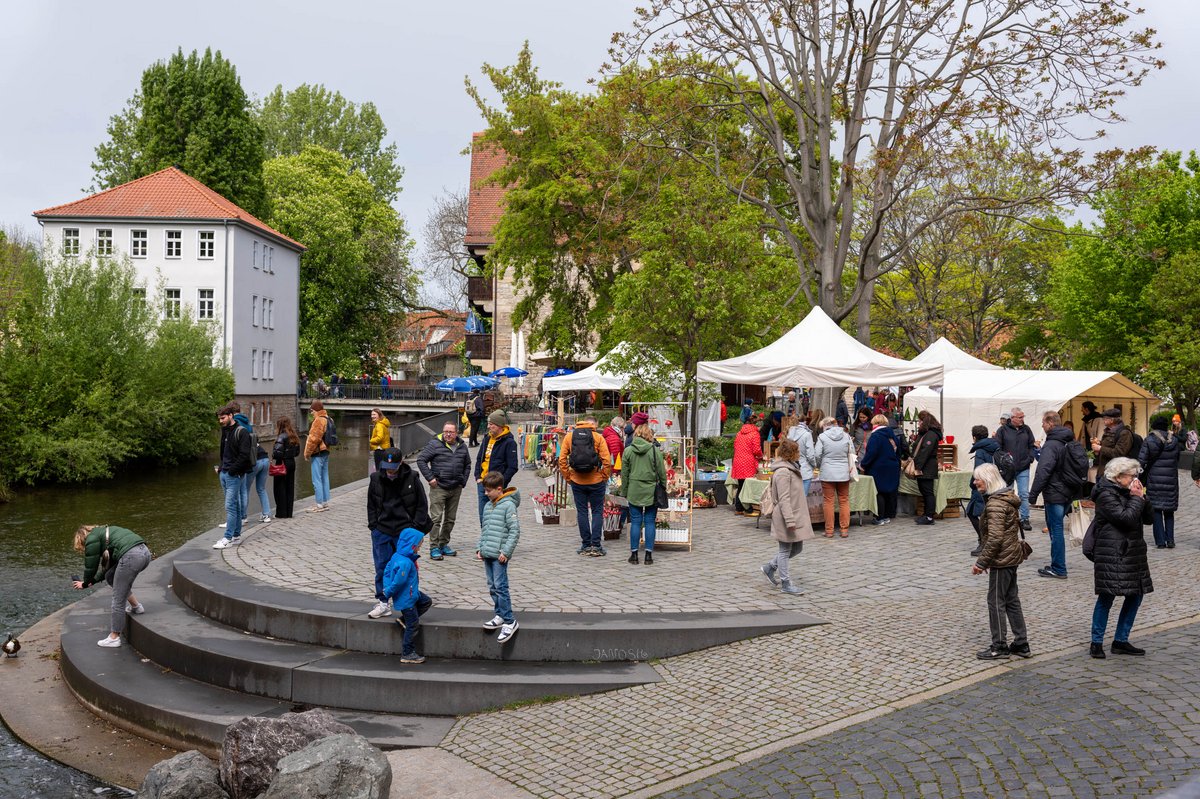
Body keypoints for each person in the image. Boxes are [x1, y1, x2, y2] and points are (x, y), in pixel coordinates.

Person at [1089, 457, 1153, 659]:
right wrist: (1137, 499)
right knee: (1106, 596)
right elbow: (1125, 519)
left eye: (1136, 475)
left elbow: (1149, 519)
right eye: (1131, 475)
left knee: (1135, 595)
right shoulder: (1105, 494)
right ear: (1118, 476)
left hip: (1133, 552)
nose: (1135, 479)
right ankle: (1096, 642)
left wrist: (1143, 497)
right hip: (1112, 553)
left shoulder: (1131, 492)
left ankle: (1121, 640)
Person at [970, 464, 1031, 661]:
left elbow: (995, 538)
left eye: (977, 479)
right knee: (1011, 600)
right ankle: (1021, 643)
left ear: (987, 480)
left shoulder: (996, 504)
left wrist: (981, 563)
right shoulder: (1006, 498)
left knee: (995, 602)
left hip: (1002, 559)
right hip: (1011, 556)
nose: (975, 482)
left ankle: (999, 646)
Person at [367, 447, 432, 619]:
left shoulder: (412, 478)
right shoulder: (376, 478)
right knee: (382, 568)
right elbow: (371, 504)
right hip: (382, 529)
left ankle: (410, 602)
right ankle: (383, 603)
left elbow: (422, 504)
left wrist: (415, 528)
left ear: (401, 462)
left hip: (405, 530)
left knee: (408, 568)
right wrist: (373, 526)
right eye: (387, 467)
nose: (390, 471)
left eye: (393, 467)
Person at [72, 524, 152, 648]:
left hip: (131, 557)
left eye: (82, 547)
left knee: (118, 598)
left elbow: (91, 567)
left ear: (82, 540)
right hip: (145, 553)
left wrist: (85, 583)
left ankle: (114, 637)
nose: (84, 549)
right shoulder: (106, 534)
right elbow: (106, 569)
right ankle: (136, 606)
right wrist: (92, 581)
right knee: (110, 576)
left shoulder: (91, 539)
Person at [1029, 411, 1086, 580]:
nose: (1042, 425)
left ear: (1050, 423)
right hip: (1069, 491)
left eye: (1043, 422)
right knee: (1057, 528)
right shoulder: (1069, 440)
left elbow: (1043, 470)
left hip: (1055, 492)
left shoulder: (1052, 444)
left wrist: (1033, 495)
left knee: (1056, 530)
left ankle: (1059, 568)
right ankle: (1057, 564)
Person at [760, 438, 813, 595]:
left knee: (797, 548)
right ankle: (786, 583)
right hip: (786, 516)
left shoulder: (791, 468)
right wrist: (789, 520)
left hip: (794, 514)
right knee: (784, 550)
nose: (799, 454)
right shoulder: (783, 472)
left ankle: (770, 567)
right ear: (790, 453)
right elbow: (784, 499)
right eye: (797, 451)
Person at [416, 420, 472, 560]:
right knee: (436, 519)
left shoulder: (461, 446)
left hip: (456, 487)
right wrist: (430, 478)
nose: (447, 434)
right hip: (439, 487)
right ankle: (434, 547)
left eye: (451, 432)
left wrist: (463, 481)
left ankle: (443, 544)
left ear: (456, 433)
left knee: (450, 519)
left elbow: (467, 464)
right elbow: (421, 460)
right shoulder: (434, 444)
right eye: (445, 431)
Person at [559, 415, 613, 556]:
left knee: (582, 512)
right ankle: (596, 545)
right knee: (597, 512)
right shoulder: (598, 437)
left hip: (577, 481)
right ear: (594, 425)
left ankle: (586, 545)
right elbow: (607, 461)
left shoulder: (569, 437)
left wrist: (568, 477)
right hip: (596, 481)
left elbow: (562, 460)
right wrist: (604, 477)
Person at [477, 471, 521, 643]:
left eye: (488, 491)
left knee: (501, 586)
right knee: (492, 586)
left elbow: (514, 531)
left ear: (499, 489)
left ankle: (509, 620)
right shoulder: (488, 506)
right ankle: (500, 614)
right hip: (488, 552)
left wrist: (506, 552)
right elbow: (485, 529)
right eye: (485, 490)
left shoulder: (508, 506)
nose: (486, 493)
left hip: (499, 555)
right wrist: (480, 548)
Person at [381, 526, 433, 664]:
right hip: (407, 598)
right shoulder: (405, 563)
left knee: (426, 601)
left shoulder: (397, 556)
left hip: (411, 593)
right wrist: (388, 591)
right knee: (413, 625)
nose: (419, 549)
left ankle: (403, 620)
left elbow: (387, 571)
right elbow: (398, 582)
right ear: (412, 546)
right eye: (419, 546)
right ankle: (407, 653)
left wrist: (386, 585)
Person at [619, 422, 667, 564]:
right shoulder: (654, 451)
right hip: (651, 490)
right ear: (648, 435)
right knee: (650, 521)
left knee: (635, 521)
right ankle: (648, 556)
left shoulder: (628, 451)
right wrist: (663, 486)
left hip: (634, 489)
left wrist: (624, 491)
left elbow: (624, 474)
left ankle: (634, 555)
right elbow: (661, 472)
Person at [1138, 416, 1181, 549]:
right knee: (1169, 510)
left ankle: (1160, 541)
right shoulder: (1174, 440)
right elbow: (1177, 459)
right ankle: (1170, 539)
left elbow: (1141, 461)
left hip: (1154, 479)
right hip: (1171, 479)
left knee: (1156, 509)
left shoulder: (1149, 440)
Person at [214, 404, 252, 548]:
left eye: (223, 418)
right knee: (234, 505)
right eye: (219, 419)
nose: (221, 421)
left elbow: (244, 455)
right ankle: (236, 536)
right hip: (224, 473)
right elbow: (223, 453)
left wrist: (232, 471)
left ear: (231, 416)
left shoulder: (242, 432)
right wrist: (221, 468)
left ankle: (227, 538)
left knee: (230, 506)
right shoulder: (225, 431)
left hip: (234, 475)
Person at [475, 410, 519, 526]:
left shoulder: (509, 442)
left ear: (499, 425)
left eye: (491, 424)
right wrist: (478, 476)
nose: (488, 426)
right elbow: (479, 459)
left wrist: (500, 483)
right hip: (482, 483)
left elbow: (512, 467)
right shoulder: (486, 438)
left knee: (496, 518)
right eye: (488, 424)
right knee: (483, 516)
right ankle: (485, 536)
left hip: (496, 487)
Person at [995, 407, 1036, 531]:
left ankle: (1025, 519)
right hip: (1008, 469)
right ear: (1012, 418)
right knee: (1008, 494)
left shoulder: (1026, 429)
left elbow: (1032, 445)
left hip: (1023, 467)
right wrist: (1004, 462)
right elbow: (998, 448)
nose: (1022, 419)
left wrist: (1030, 458)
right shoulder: (1002, 430)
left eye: (1023, 416)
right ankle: (1009, 518)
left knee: (1024, 494)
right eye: (1020, 417)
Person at [859, 414, 903, 525]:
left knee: (879, 492)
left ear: (877, 424)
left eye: (873, 423)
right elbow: (899, 451)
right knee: (888, 492)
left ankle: (879, 517)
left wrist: (863, 464)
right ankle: (887, 515)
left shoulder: (876, 436)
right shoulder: (892, 435)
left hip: (879, 467)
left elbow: (871, 453)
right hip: (892, 466)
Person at [815, 417, 853, 538]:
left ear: (826, 425)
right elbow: (852, 453)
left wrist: (820, 465)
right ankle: (844, 530)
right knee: (844, 500)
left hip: (827, 472)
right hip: (843, 472)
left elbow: (817, 454)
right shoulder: (846, 436)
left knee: (828, 501)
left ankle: (829, 530)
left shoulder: (822, 437)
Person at [965, 425, 1000, 554]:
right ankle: (988, 541)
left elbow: (979, 471)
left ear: (974, 437)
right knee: (987, 515)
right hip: (994, 484)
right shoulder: (995, 445)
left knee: (973, 513)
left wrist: (972, 484)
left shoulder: (980, 450)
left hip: (982, 487)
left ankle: (984, 542)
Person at [234, 409, 272, 524]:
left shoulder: (236, 425)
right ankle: (266, 514)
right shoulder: (247, 424)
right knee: (261, 489)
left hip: (254, 461)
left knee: (244, 489)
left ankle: (243, 517)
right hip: (265, 458)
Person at [912, 412, 944, 525]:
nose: (918, 423)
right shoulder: (927, 433)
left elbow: (925, 452)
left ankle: (929, 516)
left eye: (920, 421)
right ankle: (926, 514)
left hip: (926, 467)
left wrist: (918, 467)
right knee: (924, 491)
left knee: (928, 492)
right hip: (925, 466)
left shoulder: (931, 434)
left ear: (925, 421)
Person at [304, 400, 332, 512]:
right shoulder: (328, 419)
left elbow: (314, 439)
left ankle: (319, 504)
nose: (311, 413)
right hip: (326, 451)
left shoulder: (318, 420)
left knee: (316, 479)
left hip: (318, 453)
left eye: (312, 410)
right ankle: (325, 502)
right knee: (324, 477)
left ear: (316, 410)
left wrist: (307, 453)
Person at [271, 417, 301, 519]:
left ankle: (281, 513)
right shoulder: (294, 436)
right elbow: (297, 452)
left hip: (282, 464)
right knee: (290, 487)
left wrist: (273, 454)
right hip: (292, 462)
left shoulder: (281, 437)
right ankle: (289, 512)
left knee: (280, 488)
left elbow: (277, 454)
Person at [731, 422, 764, 517]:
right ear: (756, 426)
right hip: (748, 462)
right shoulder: (755, 434)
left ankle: (739, 508)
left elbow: (735, 446)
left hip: (738, 461)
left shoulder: (739, 433)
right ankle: (748, 509)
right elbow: (756, 450)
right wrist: (761, 457)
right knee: (747, 486)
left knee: (741, 485)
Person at [1092, 407, 1133, 479]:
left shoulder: (1125, 433)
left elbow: (1119, 453)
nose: (1103, 420)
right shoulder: (1108, 431)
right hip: (1103, 472)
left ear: (1112, 420)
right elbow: (1109, 446)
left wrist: (1100, 448)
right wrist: (1099, 443)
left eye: (1105, 418)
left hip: (1114, 474)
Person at [785, 414, 817, 494]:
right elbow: (810, 455)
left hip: (791, 469)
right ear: (805, 421)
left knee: (792, 498)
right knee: (803, 498)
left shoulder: (788, 435)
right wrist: (814, 465)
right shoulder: (807, 434)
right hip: (805, 470)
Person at [368, 408, 391, 474]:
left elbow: (379, 438)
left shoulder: (379, 425)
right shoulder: (383, 424)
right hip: (385, 449)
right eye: (372, 414)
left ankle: (380, 480)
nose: (372, 416)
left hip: (380, 450)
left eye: (374, 414)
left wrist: (371, 441)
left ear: (379, 415)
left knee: (379, 470)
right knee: (384, 469)